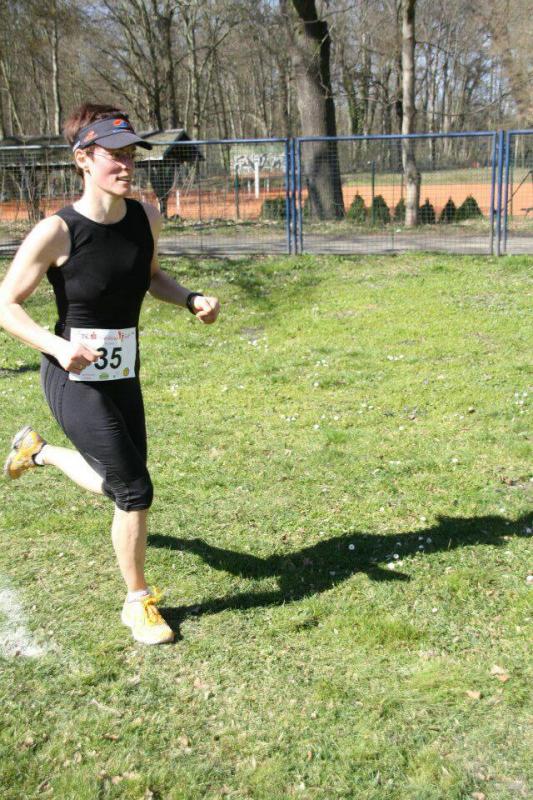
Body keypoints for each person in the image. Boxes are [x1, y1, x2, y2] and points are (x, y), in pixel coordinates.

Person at [0, 103, 220, 645]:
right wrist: (58, 346)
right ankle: (137, 602)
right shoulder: (57, 231)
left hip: (122, 374)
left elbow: (152, 277)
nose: (126, 165)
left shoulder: (145, 217)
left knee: (120, 482)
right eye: (113, 155)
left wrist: (189, 298)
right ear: (83, 159)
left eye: (130, 155)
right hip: (71, 377)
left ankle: (39, 452)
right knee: (134, 488)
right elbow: (6, 305)